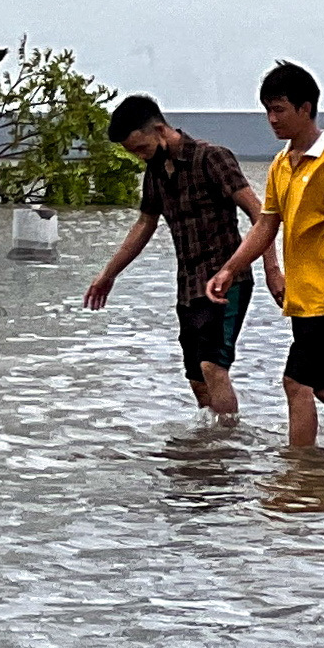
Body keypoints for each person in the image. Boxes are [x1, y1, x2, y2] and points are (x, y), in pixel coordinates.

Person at [205, 60, 324, 449]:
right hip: (301, 297)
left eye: (279, 110)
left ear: (305, 109)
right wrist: (230, 269)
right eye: (267, 110)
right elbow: (267, 225)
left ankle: (300, 471)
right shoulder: (282, 163)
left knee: (296, 382)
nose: (272, 119)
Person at [81, 93, 261, 420]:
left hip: (227, 281)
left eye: (141, 148)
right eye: (132, 152)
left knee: (213, 365)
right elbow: (145, 223)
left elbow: (260, 215)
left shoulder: (213, 158)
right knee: (196, 377)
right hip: (189, 285)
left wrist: (272, 270)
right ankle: (209, 455)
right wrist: (108, 274)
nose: (139, 157)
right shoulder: (154, 172)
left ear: (160, 130)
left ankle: (228, 445)